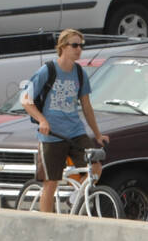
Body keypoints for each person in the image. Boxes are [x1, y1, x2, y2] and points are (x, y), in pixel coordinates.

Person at [21, 29, 109, 214]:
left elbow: (86, 106)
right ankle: (47, 223)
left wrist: (98, 134)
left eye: (81, 46)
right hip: (51, 135)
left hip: (75, 132)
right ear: (62, 47)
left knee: (95, 168)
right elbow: (25, 100)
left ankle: (75, 196)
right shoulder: (48, 70)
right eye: (75, 45)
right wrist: (42, 120)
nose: (79, 50)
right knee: (51, 182)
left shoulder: (79, 73)